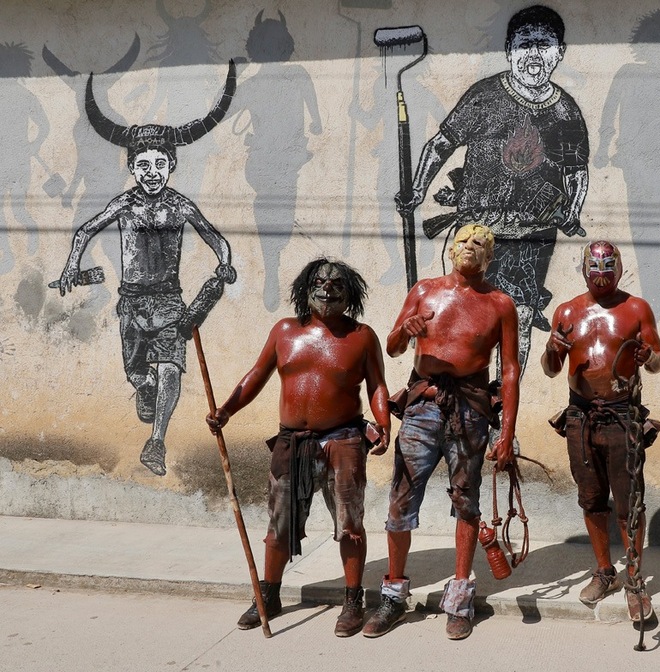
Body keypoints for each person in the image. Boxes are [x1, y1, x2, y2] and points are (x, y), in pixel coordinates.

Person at [56, 63, 238, 476]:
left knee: (172, 366)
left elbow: (216, 238)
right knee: (137, 371)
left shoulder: (180, 205)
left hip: (170, 302)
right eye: (143, 165)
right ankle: (144, 386)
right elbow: (85, 231)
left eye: (159, 164)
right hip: (132, 303)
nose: (151, 173)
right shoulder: (125, 203)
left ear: (171, 165)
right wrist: (71, 267)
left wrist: (224, 264)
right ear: (132, 168)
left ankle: (156, 442)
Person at [399, 5, 588, 378]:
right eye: (525, 44)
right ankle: (460, 395)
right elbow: (441, 144)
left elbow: (576, 172)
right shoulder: (485, 96)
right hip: (477, 231)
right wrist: (417, 189)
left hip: (533, 236)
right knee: (462, 313)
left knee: (519, 318)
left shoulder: (566, 112)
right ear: (509, 50)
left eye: (544, 44)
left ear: (560, 52)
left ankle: (504, 406)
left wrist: (573, 209)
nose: (534, 54)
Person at [205, 259, 391, 638]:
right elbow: (256, 375)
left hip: (343, 441)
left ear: (350, 293)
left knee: (350, 526)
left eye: (336, 284)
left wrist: (384, 423)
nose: (327, 289)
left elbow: (377, 386)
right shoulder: (285, 331)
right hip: (291, 443)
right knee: (279, 525)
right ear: (305, 289)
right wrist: (226, 410)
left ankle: (352, 600)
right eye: (319, 282)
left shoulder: (362, 337)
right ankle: (269, 595)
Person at [364, 223, 519, 641]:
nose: (470, 247)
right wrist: (406, 330)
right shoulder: (424, 290)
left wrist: (506, 432)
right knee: (401, 499)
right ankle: (393, 595)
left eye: (480, 243)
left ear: (490, 256)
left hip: (470, 411)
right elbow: (393, 346)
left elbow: (509, 371)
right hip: (423, 406)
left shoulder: (501, 304)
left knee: (466, 502)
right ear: (451, 249)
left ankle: (460, 597)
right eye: (463, 241)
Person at [541, 240, 660, 621]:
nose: (600, 278)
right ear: (583, 270)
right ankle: (604, 571)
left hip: (622, 415)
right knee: (591, 498)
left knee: (630, 503)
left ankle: (634, 579)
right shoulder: (567, 311)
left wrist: (648, 356)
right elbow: (550, 369)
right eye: (594, 271)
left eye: (608, 270)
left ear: (619, 269)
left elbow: (658, 362)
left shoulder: (636, 309)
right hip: (580, 417)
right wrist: (552, 348)